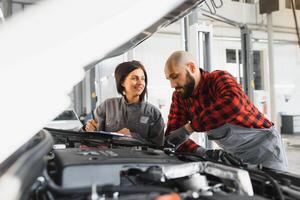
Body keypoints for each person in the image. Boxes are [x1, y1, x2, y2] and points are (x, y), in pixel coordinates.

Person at [164, 50, 288, 170]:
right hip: (234, 156)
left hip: (265, 149)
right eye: (169, 80)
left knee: (276, 188)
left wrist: (191, 127)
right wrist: (203, 153)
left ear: (191, 67)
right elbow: (174, 138)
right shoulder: (180, 97)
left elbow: (232, 105)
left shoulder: (218, 78)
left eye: (175, 76)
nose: (172, 85)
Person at [84, 60, 165, 146]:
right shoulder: (107, 106)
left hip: (140, 159)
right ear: (122, 82)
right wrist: (89, 129)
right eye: (134, 78)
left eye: (143, 79)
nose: (140, 83)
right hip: (110, 158)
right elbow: (93, 136)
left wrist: (132, 137)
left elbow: (159, 147)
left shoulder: (153, 113)